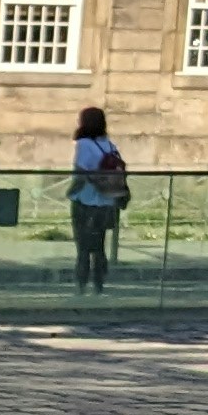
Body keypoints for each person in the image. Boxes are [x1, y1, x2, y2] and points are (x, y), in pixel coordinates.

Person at [69, 107, 129, 293]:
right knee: (99, 247)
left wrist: (70, 192)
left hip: (86, 202)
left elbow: (80, 174)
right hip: (107, 203)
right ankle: (99, 286)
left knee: (83, 249)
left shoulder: (84, 144)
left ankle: (80, 288)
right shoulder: (109, 144)